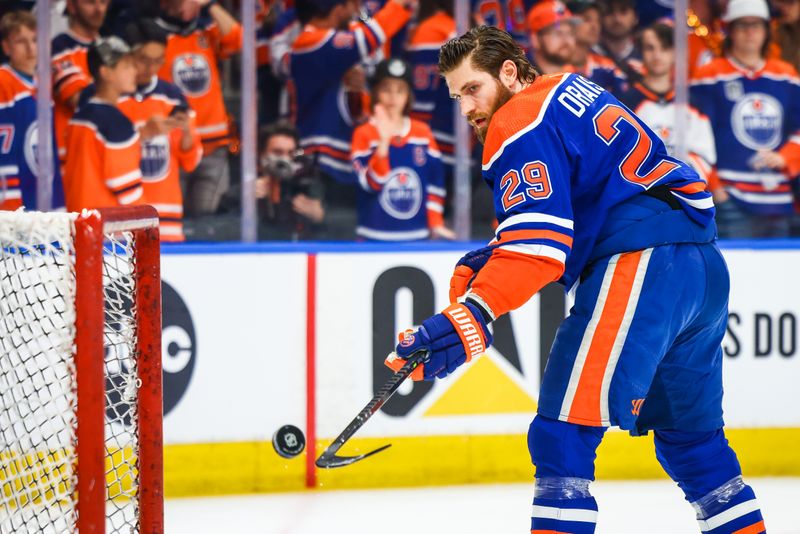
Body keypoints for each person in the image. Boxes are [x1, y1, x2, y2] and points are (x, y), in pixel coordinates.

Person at [386, 25, 765, 534]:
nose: (466, 108)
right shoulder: (570, 89)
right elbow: (576, 212)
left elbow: (538, 248)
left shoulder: (517, 117)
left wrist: (472, 314)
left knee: (562, 437)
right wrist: (486, 271)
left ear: (508, 72)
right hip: (700, 266)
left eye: (472, 88)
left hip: (642, 264)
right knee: (693, 444)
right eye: (456, 96)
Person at [289, 0, 416, 219]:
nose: (356, 11)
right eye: (351, 5)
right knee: (328, 231)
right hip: (320, 166)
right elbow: (365, 39)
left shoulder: (333, 52)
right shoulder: (308, 41)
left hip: (345, 161)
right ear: (337, 9)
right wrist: (399, 4)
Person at [691, 0, 800, 238]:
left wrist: (785, 156)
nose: (750, 32)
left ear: (767, 30)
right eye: (742, 26)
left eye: (756, 26)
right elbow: (695, 137)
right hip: (731, 199)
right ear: (729, 30)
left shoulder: (786, 75)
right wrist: (716, 188)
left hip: (778, 199)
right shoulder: (709, 75)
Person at [156, 0, 242, 216]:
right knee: (173, 218)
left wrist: (210, 4)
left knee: (206, 221)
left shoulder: (207, 31)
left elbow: (238, 38)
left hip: (213, 148)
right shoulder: (153, 35)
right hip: (173, 146)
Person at [351, 58, 453, 241]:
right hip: (372, 239)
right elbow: (371, 184)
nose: (393, 97)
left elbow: (435, 182)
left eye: (400, 90)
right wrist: (383, 142)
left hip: (417, 237)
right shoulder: (363, 133)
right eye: (386, 89)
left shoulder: (422, 132)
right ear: (375, 93)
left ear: (408, 96)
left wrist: (435, 223)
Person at [120, 18, 202, 241]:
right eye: (144, 60)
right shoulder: (111, 97)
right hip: (120, 219)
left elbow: (191, 160)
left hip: (167, 218)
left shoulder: (173, 97)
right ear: (127, 55)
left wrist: (186, 131)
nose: (150, 68)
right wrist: (143, 135)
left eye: (158, 61)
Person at [620, 21, 716, 183]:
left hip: (685, 195)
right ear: (641, 52)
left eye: (664, 48)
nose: (657, 55)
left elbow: (705, 157)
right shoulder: (624, 102)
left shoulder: (693, 104)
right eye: (650, 48)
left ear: (674, 53)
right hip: (641, 195)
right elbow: (619, 155)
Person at [63, 37, 144, 210]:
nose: (134, 71)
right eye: (126, 66)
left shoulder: (79, 116)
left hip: (77, 224)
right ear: (106, 72)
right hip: (108, 230)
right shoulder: (116, 123)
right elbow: (127, 191)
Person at [0, 10, 64, 211]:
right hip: (15, 198)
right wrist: (8, 200)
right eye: (21, 41)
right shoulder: (3, 81)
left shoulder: (42, 82)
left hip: (42, 194)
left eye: (36, 40)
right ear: (6, 47)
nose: (31, 48)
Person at [51, 0, 110, 164]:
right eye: (90, 2)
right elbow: (78, 100)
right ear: (71, 6)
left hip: (103, 151)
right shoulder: (60, 47)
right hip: (71, 155)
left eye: (103, 2)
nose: (98, 9)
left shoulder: (107, 47)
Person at [406, 0, 457, 172]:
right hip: (451, 140)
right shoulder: (449, 28)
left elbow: (422, 103)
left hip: (438, 142)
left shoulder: (436, 30)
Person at [255, 121, 327, 240]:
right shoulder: (244, 190)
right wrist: (246, 201)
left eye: (290, 153)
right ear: (261, 154)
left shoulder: (306, 188)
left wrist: (321, 217)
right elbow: (221, 229)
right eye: (277, 152)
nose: (285, 159)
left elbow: (346, 228)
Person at [567, 0, 627, 95]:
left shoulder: (607, 67)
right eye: (586, 19)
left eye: (598, 21)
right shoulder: (554, 63)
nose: (594, 26)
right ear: (567, 21)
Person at [526, 1, 578, 75]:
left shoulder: (580, 78)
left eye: (570, 33)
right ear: (535, 39)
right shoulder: (521, 81)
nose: (566, 40)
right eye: (558, 33)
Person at [596, 0, 642, 79]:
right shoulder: (589, 54)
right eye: (609, 12)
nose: (617, 19)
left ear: (635, 17)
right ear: (600, 17)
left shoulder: (646, 54)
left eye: (623, 11)